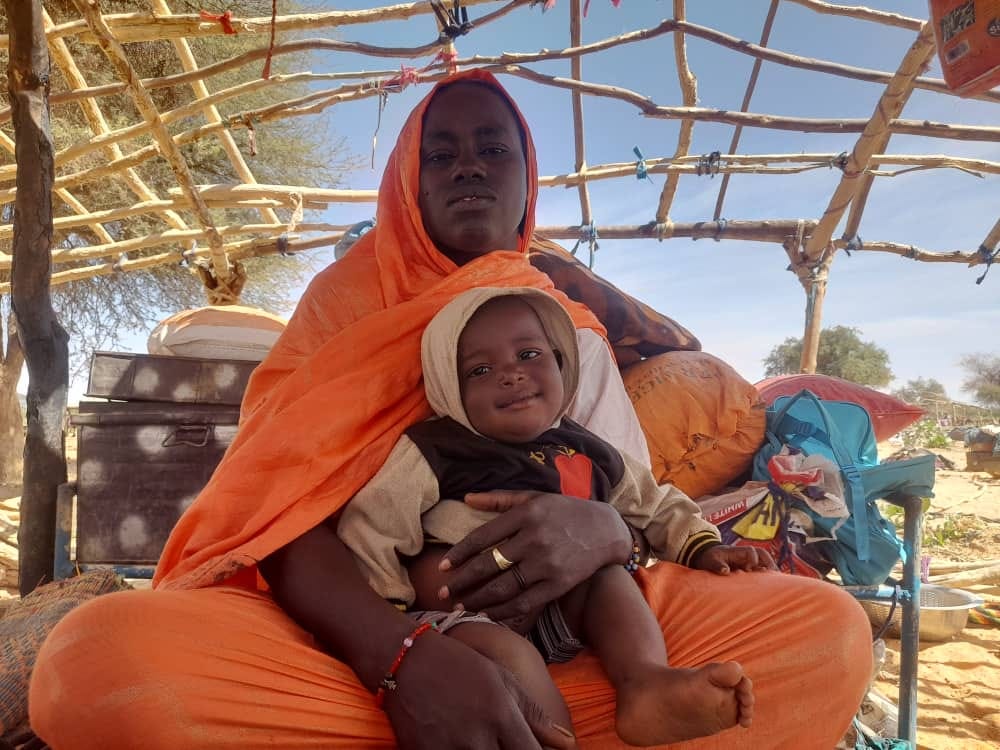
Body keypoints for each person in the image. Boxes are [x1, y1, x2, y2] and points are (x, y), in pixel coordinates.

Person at [29, 70, 873, 749]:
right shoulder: (340, 308)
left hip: (584, 629)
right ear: (408, 181)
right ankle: (505, 714)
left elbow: (633, 499)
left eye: (493, 149)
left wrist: (603, 533)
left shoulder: (564, 327)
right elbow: (275, 522)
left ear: (525, 181)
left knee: (826, 629)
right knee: (94, 664)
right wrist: (402, 660)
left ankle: (591, 709)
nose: (469, 165)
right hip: (370, 636)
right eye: (442, 155)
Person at [339, 285, 768, 746]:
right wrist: (392, 610)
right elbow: (375, 522)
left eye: (528, 354)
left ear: (563, 364)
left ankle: (645, 683)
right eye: (480, 369)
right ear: (449, 388)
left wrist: (704, 547)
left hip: (565, 605)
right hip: (470, 615)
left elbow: (654, 501)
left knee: (608, 579)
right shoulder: (437, 446)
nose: (511, 375)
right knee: (511, 657)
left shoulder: (589, 448)